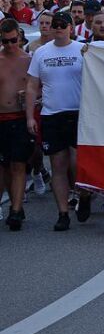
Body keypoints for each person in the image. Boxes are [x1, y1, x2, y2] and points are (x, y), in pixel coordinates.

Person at [24, 12, 88, 231]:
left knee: (78, 162)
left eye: (63, 25)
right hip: (52, 114)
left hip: (79, 113)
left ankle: (84, 194)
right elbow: (32, 85)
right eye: (55, 25)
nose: (58, 28)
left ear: (71, 27)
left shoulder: (83, 49)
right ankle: (62, 213)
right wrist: (30, 115)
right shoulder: (41, 53)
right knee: (58, 166)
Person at [0, 18, 32, 230]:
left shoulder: (28, 60)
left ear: (19, 38)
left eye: (13, 40)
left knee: (18, 164)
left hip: (19, 119)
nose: (10, 45)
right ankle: (16, 205)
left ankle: (15, 211)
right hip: (1, 119)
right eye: (5, 41)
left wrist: (31, 99)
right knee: (5, 167)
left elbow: (40, 88)